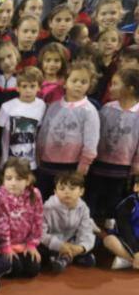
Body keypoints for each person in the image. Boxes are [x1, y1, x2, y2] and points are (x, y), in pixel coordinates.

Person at [36, 60, 100, 199]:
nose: (78, 85)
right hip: (47, 164)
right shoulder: (53, 106)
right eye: (74, 80)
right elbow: (43, 134)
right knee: (44, 200)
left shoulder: (89, 111)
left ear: (89, 86)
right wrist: (39, 155)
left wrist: (82, 168)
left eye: (83, 82)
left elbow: (91, 142)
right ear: (65, 82)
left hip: (71, 167)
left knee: (66, 203)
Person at [88, 68, 139, 225]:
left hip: (122, 165)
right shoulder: (107, 108)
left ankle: (111, 223)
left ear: (129, 89)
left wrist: (136, 163)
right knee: (93, 193)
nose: (110, 88)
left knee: (114, 195)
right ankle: (89, 223)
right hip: (99, 162)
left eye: (115, 84)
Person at [0, 158, 43, 278]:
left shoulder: (35, 194)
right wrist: (6, 248)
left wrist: (32, 244)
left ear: (28, 180)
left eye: (19, 179)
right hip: (4, 245)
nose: (13, 183)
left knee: (33, 269)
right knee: (15, 270)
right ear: (3, 179)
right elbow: (0, 225)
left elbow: (38, 221)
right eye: (8, 178)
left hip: (24, 244)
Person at [40, 170, 96, 272]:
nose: (67, 192)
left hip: (72, 241)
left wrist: (81, 247)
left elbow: (85, 230)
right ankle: (67, 258)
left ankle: (66, 258)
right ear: (55, 191)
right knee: (42, 250)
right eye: (62, 189)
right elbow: (40, 233)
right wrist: (60, 245)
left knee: (94, 241)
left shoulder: (83, 207)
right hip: (52, 242)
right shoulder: (47, 207)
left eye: (72, 188)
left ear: (81, 191)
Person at [0, 66, 46, 170]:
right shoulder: (7, 106)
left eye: (32, 86)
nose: (28, 90)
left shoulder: (42, 105)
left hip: (30, 163)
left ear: (39, 87)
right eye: (24, 86)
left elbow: (39, 131)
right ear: (17, 88)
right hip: (8, 161)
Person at [104, 176, 139, 270]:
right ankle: (131, 259)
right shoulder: (128, 204)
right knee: (109, 240)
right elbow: (125, 229)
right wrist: (136, 252)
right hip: (125, 239)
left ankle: (127, 261)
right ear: (136, 187)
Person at [0, 40, 20, 112]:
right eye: (1, 59)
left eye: (9, 56)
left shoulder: (22, 77)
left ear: (16, 54)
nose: (6, 62)